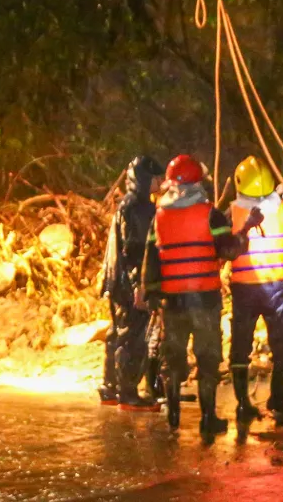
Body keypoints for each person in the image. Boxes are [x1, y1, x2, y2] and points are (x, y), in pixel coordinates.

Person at [139, 154, 261, 441]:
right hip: (204, 300)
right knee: (207, 360)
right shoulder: (209, 213)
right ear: (197, 182)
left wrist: (152, 295)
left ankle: (173, 417)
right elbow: (228, 251)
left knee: (173, 360)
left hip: (172, 301)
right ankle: (208, 419)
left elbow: (150, 260)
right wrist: (244, 232)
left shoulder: (158, 216)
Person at [226, 156, 283, 425]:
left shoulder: (232, 212)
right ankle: (277, 401)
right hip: (275, 290)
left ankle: (242, 404)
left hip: (244, 291)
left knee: (240, 348)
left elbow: (220, 244)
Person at [98, 155, 165, 411]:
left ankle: (110, 387)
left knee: (118, 333)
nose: (160, 183)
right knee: (132, 335)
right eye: (156, 178)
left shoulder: (127, 204)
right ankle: (128, 394)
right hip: (129, 283)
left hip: (116, 280)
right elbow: (135, 250)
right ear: (146, 180)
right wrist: (140, 286)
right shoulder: (139, 208)